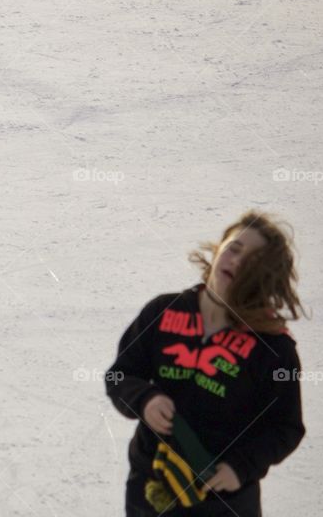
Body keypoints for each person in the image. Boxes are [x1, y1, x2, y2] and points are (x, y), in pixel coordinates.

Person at [106, 211, 307, 516]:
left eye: (253, 261)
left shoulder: (273, 348)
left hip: (222, 497)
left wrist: (241, 467)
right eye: (234, 248)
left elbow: (285, 427)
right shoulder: (163, 312)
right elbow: (121, 374)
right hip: (151, 483)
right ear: (218, 249)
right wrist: (144, 399)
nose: (237, 262)